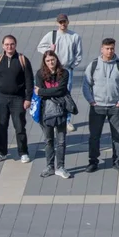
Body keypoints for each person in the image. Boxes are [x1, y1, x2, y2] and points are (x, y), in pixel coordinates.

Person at [84, 38, 119, 173]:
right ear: (102, 49)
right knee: (94, 136)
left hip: (114, 107)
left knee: (117, 135)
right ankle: (93, 161)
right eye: (107, 48)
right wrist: (91, 101)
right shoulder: (93, 65)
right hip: (97, 106)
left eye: (112, 48)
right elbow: (86, 84)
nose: (110, 51)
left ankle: (117, 161)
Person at [0, 35, 34, 163]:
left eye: (12, 44)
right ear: (3, 46)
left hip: (18, 99)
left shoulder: (22, 60)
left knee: (19, 127)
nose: (9, 46)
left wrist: (28, 98)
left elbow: (29, 81)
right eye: (7, 44)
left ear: (15, 45)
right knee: (1, 126)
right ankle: (2, 152)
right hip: (0, 98)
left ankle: (23, 152)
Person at [35, 13, 83, 132]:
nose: (62, 24)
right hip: (52, 70)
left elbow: (79, 54)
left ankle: (66, 120)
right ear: (57, 23)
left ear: (68, 22)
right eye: (60, 22)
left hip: (66, 69)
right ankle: (52, 114)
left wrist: (72, 66)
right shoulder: (52, 35)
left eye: (64, 21)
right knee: (52, 92)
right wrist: (49, 51)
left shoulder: (74, 36)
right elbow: (40, 47)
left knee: (66, 94)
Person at [34, 50, 73, 178]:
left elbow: (61, 90)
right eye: (48, 61)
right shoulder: (40, 74)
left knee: (61, 141)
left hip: (61, 111)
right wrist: (47, 92)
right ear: (44, 62)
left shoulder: (64, 73)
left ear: (56, 60)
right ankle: (50, 166)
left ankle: (60, 166)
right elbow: (39, 92)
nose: (51, 62)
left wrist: (45, 91)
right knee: (49, 140)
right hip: (46, 112)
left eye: (53, 60)